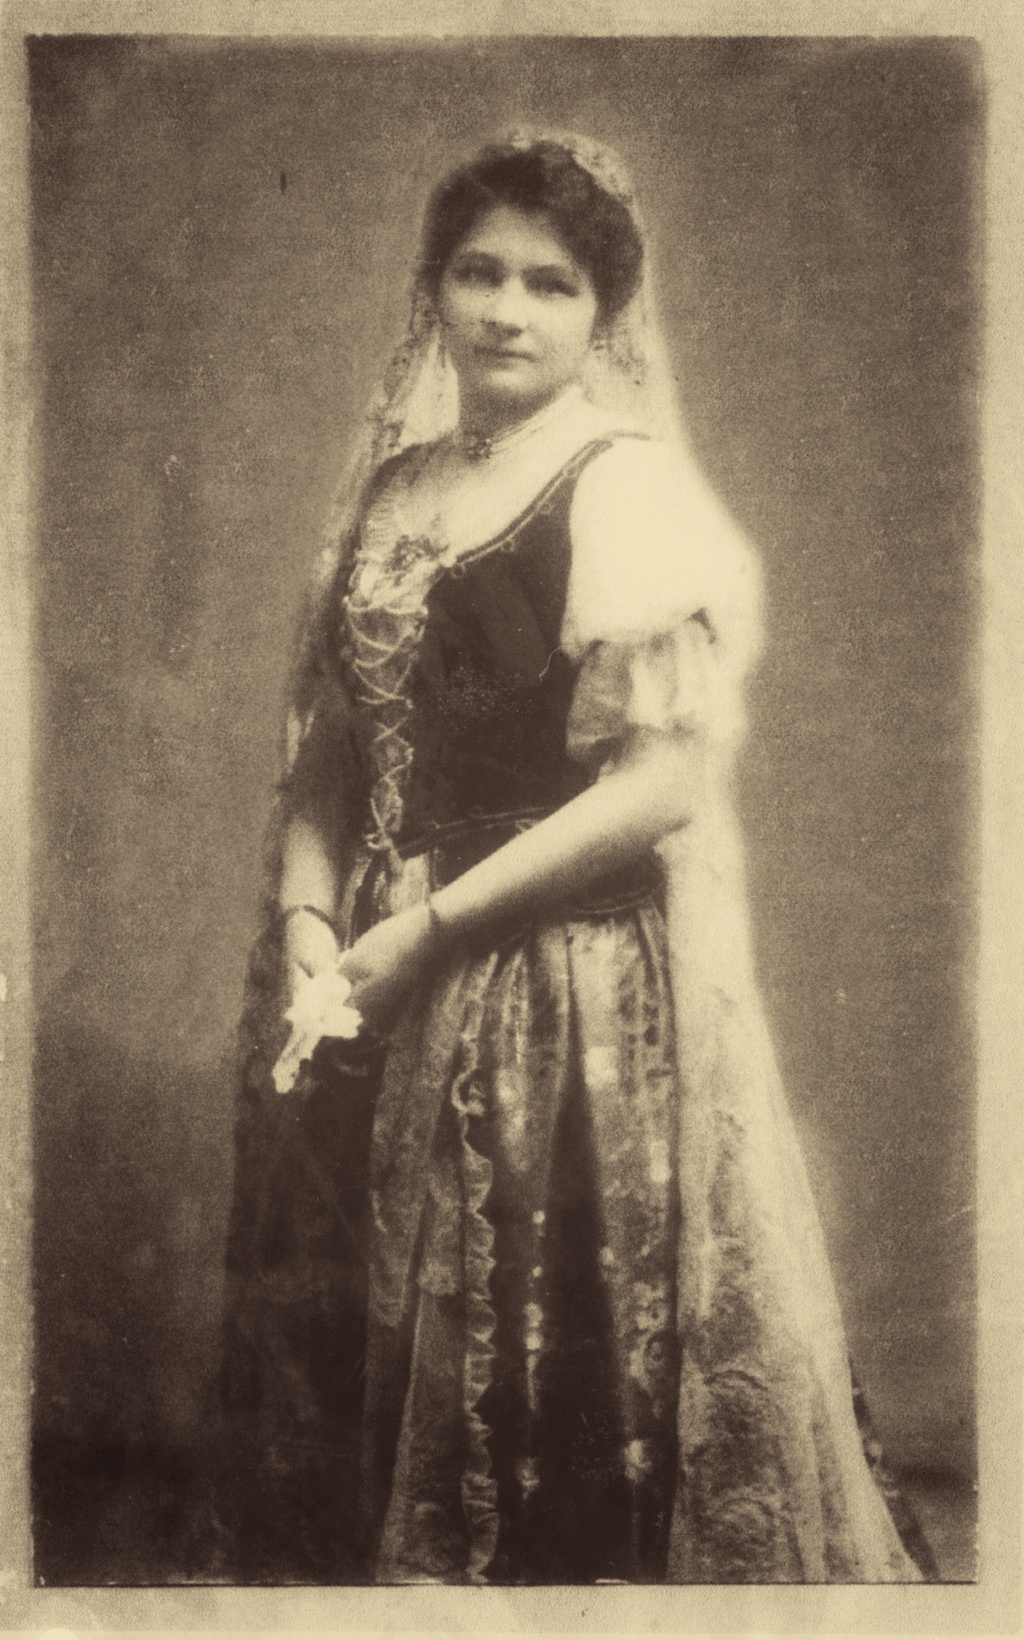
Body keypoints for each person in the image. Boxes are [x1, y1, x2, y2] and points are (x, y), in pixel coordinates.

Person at [219, 134, 929, 1585]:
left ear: (602, 313)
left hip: (550, 984)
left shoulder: (623, 489)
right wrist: (306, 918)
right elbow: (334, 749)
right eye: (478, 272)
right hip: (357, 975)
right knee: (346, 1354)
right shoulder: (391, 489)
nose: (507, 311)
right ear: (434, 288)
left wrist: (430, 932)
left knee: (539, 1373)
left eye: (550, 284)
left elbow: (663, 786)